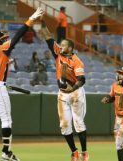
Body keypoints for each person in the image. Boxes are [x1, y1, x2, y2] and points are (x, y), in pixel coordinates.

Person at [0, 8, 43, 161]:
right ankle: (6, 153)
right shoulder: (2, 49)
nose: (4, 40)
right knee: (7, 120)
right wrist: (30, 19)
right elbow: (17, 36)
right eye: (2, 39)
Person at [40, 19, 89, 161]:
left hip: (76, 92)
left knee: (78, 122)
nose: (60, 47)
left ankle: (84, 153)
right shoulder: (58, 55)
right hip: (63, 93)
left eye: (63, 45)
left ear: (70, 48)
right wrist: (43, 23)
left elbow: (82, 80)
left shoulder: (77, 61)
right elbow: (48, 38)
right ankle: (74, 151)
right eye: (60, 45)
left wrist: (71, 89)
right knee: (64, 125)